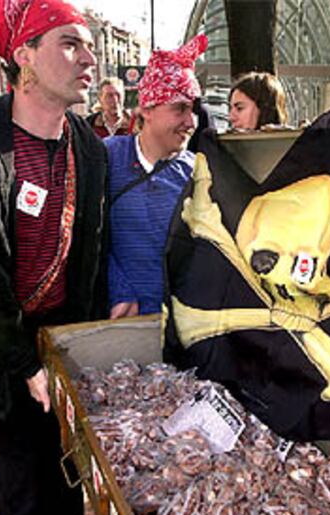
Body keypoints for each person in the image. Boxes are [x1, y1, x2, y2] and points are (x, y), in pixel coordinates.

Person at [0, 0, 108, 515]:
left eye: (88, 44)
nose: (90, 57)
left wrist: (91, 333)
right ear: (24, 56)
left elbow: (91, 250)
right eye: (69, 43)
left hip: (65, 334)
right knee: (19, 462)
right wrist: (22, 362)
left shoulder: (89, 146)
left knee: (67, 452)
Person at [107, 34, 208, 319]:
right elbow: (85, 234)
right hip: (122, 323)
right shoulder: (109, 158)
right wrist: (118, 290)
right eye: (179, 109)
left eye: (193, 109)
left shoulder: (199, 173)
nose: (191, 122)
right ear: (147, 110)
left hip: (181, 325)